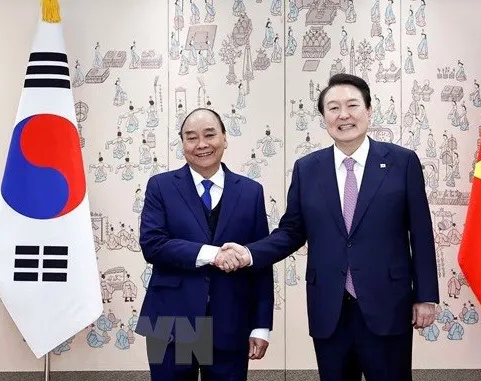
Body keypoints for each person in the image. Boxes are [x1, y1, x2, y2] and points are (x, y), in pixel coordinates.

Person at [218, 74, 439, 381]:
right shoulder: (308, 168)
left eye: (352, 105)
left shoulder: (402, 162)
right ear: (324, 118)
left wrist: (427, 296)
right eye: (333, 108)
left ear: (369, 110)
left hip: (388, 303)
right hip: (330, 310)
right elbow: (292, 231)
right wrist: (248, 253)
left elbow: (421, 232)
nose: (343, 115)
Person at [135, 108, 274, 381]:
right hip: (173, 321)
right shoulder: (161, 186)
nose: (201, 144)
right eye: (191, 138)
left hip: (231, 319)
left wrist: (260, 326)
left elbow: (260, 261)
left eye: (210, 135)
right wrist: (213, 254)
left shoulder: (250, 191)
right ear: (182, 143)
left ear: (224, 138)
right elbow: (153, 244)